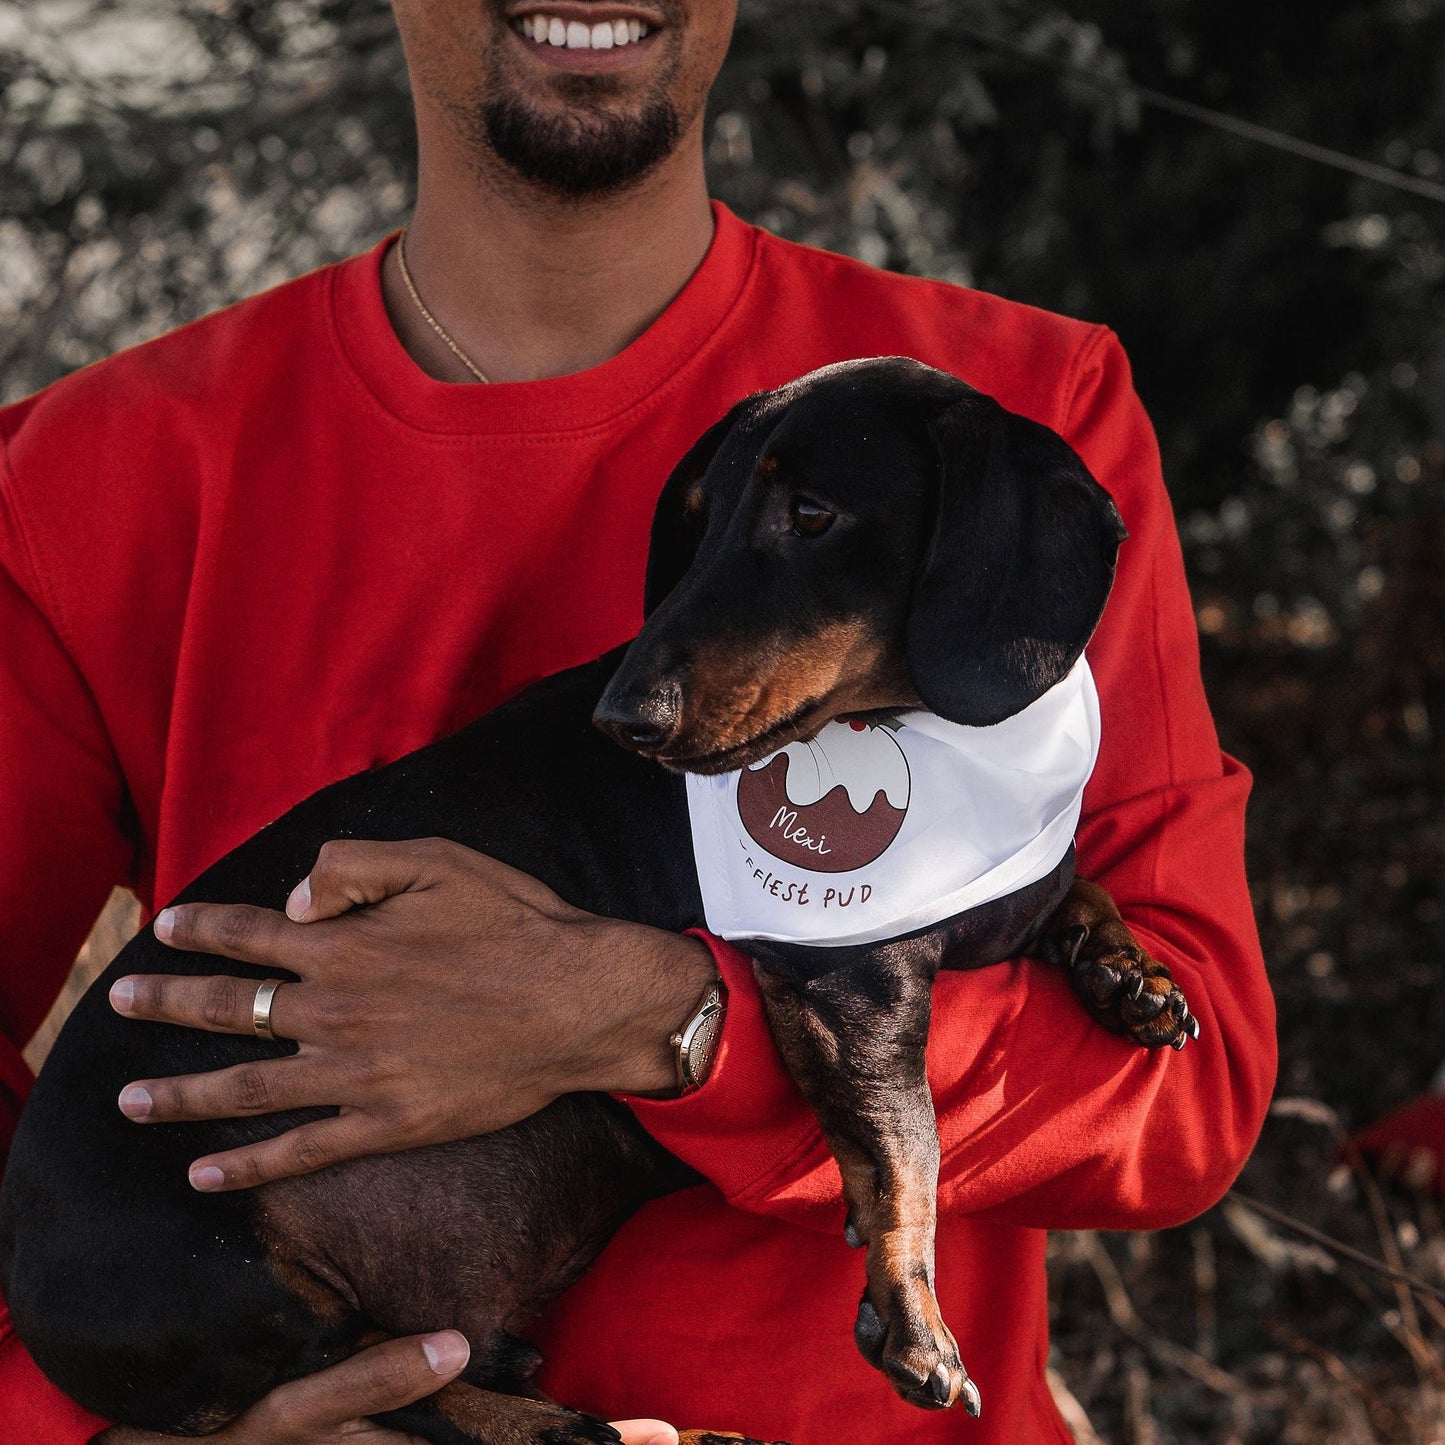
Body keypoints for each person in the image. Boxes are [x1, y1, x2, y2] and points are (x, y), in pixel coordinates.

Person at [0, 2, 1277, 1441]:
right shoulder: (80, 487)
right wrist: (107, 1429)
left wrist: (662, 1021)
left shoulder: (1019, 422)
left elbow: (1188, 1087)